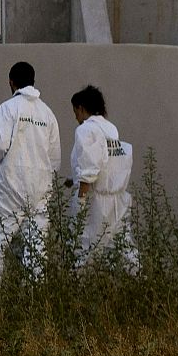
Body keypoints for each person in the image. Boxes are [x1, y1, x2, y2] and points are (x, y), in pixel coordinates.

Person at [0, 61, 60, 291]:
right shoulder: (48, 114)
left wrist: (3, 161)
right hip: (40, 191)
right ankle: (33, 305)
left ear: (11, 82)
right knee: (36, 248)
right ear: (33, 82)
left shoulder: (8, 108)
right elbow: (54, 159)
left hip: (10, 187)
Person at [69, 85, 138, 270]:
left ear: (81, 108)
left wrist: (80, 203)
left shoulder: (86, 130)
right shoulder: (111, 131)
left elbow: (90, 169)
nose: (75, 117)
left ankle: (78, 290)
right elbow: (107, 163)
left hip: (95, 201)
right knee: (123, 246)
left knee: (84, 246)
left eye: (75, 111)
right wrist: (73, 178)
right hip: (118, 200)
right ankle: (140, 284)